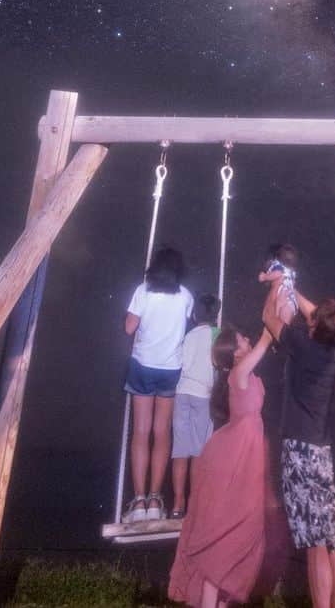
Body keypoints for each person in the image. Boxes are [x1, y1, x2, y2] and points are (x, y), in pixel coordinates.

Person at [168, 323, 280, 608]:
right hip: (232, 458)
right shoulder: (238, 373)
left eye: (244, 336)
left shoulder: (249, 374)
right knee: (224, 534)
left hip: (247, 458)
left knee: (245, 533)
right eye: (242, 340)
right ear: (235, 354)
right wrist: (279, 301)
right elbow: (266, 339)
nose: (246, 339)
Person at [263, 286, 335, 608]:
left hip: (299, 453)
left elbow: (268, 318)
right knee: (333, 542)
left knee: (314, 546)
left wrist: (276, 287)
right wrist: (293, 287)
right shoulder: (333, 350)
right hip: (321, 453)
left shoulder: (301, 344)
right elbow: (320, 316)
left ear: (316, 325)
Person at [123, 245, 193, 522]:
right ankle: (155, 499)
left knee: (141, 431)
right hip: (170, 368)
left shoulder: (143, 291)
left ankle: (139, 502)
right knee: (162, 432)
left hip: (142, 365)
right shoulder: (186, 296)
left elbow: (129, 327)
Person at [171, 292, 221, 519]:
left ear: (195, 314)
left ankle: (177, 505)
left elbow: (184, 363)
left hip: (182, 393)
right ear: (216, 314)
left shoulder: (190, 334)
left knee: (180, 450)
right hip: (203, 396)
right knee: (199, 451)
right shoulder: (217, 335)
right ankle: (195, 504)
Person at [257, 241, 300, 319]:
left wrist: (265, 277)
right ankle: (282, 319)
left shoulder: (279, 267)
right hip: (291, 298)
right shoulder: (292, 272)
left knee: (278, 311)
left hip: (282, 294)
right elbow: (293, 282)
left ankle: (276, 317)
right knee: (286, 314)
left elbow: (277, 274)